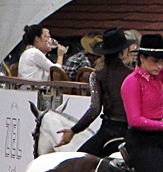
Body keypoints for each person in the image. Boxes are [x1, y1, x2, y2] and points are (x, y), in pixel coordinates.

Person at [56, 28, 134, 156]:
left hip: (108, 131)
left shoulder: (96, 75)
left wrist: (74, 130)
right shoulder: (133, 75)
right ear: (123, 51)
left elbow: (94, 110)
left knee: (79, 159)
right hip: (131, 132)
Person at [120, 33, 163, 172]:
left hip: (160, 134)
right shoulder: (132, 82)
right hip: (142, 139)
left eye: (162, 62)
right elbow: (135, 119)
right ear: (142, 59)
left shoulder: (161, 78)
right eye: (155, 61)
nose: (159, 66)